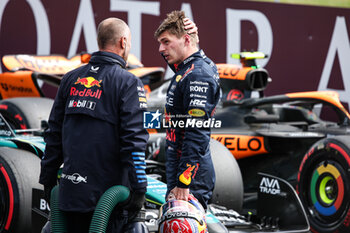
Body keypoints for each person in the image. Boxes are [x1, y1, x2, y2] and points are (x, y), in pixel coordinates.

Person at [39, 17, 149, 233]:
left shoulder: (70, 79)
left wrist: (47, 180)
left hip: (70, 197)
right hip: (109, 204)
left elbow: (53, 135)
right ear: (123, 42)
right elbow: (134, 141)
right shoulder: (128, 82)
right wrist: (139, 191)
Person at [154, 11, 221, 210]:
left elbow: (197, 132)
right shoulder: (189, 68)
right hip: (182, 173)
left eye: (166, 42)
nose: (161, 49)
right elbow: (186, 56)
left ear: (185, 39)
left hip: (191, 181)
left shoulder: (198, 75)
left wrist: (184, 182)